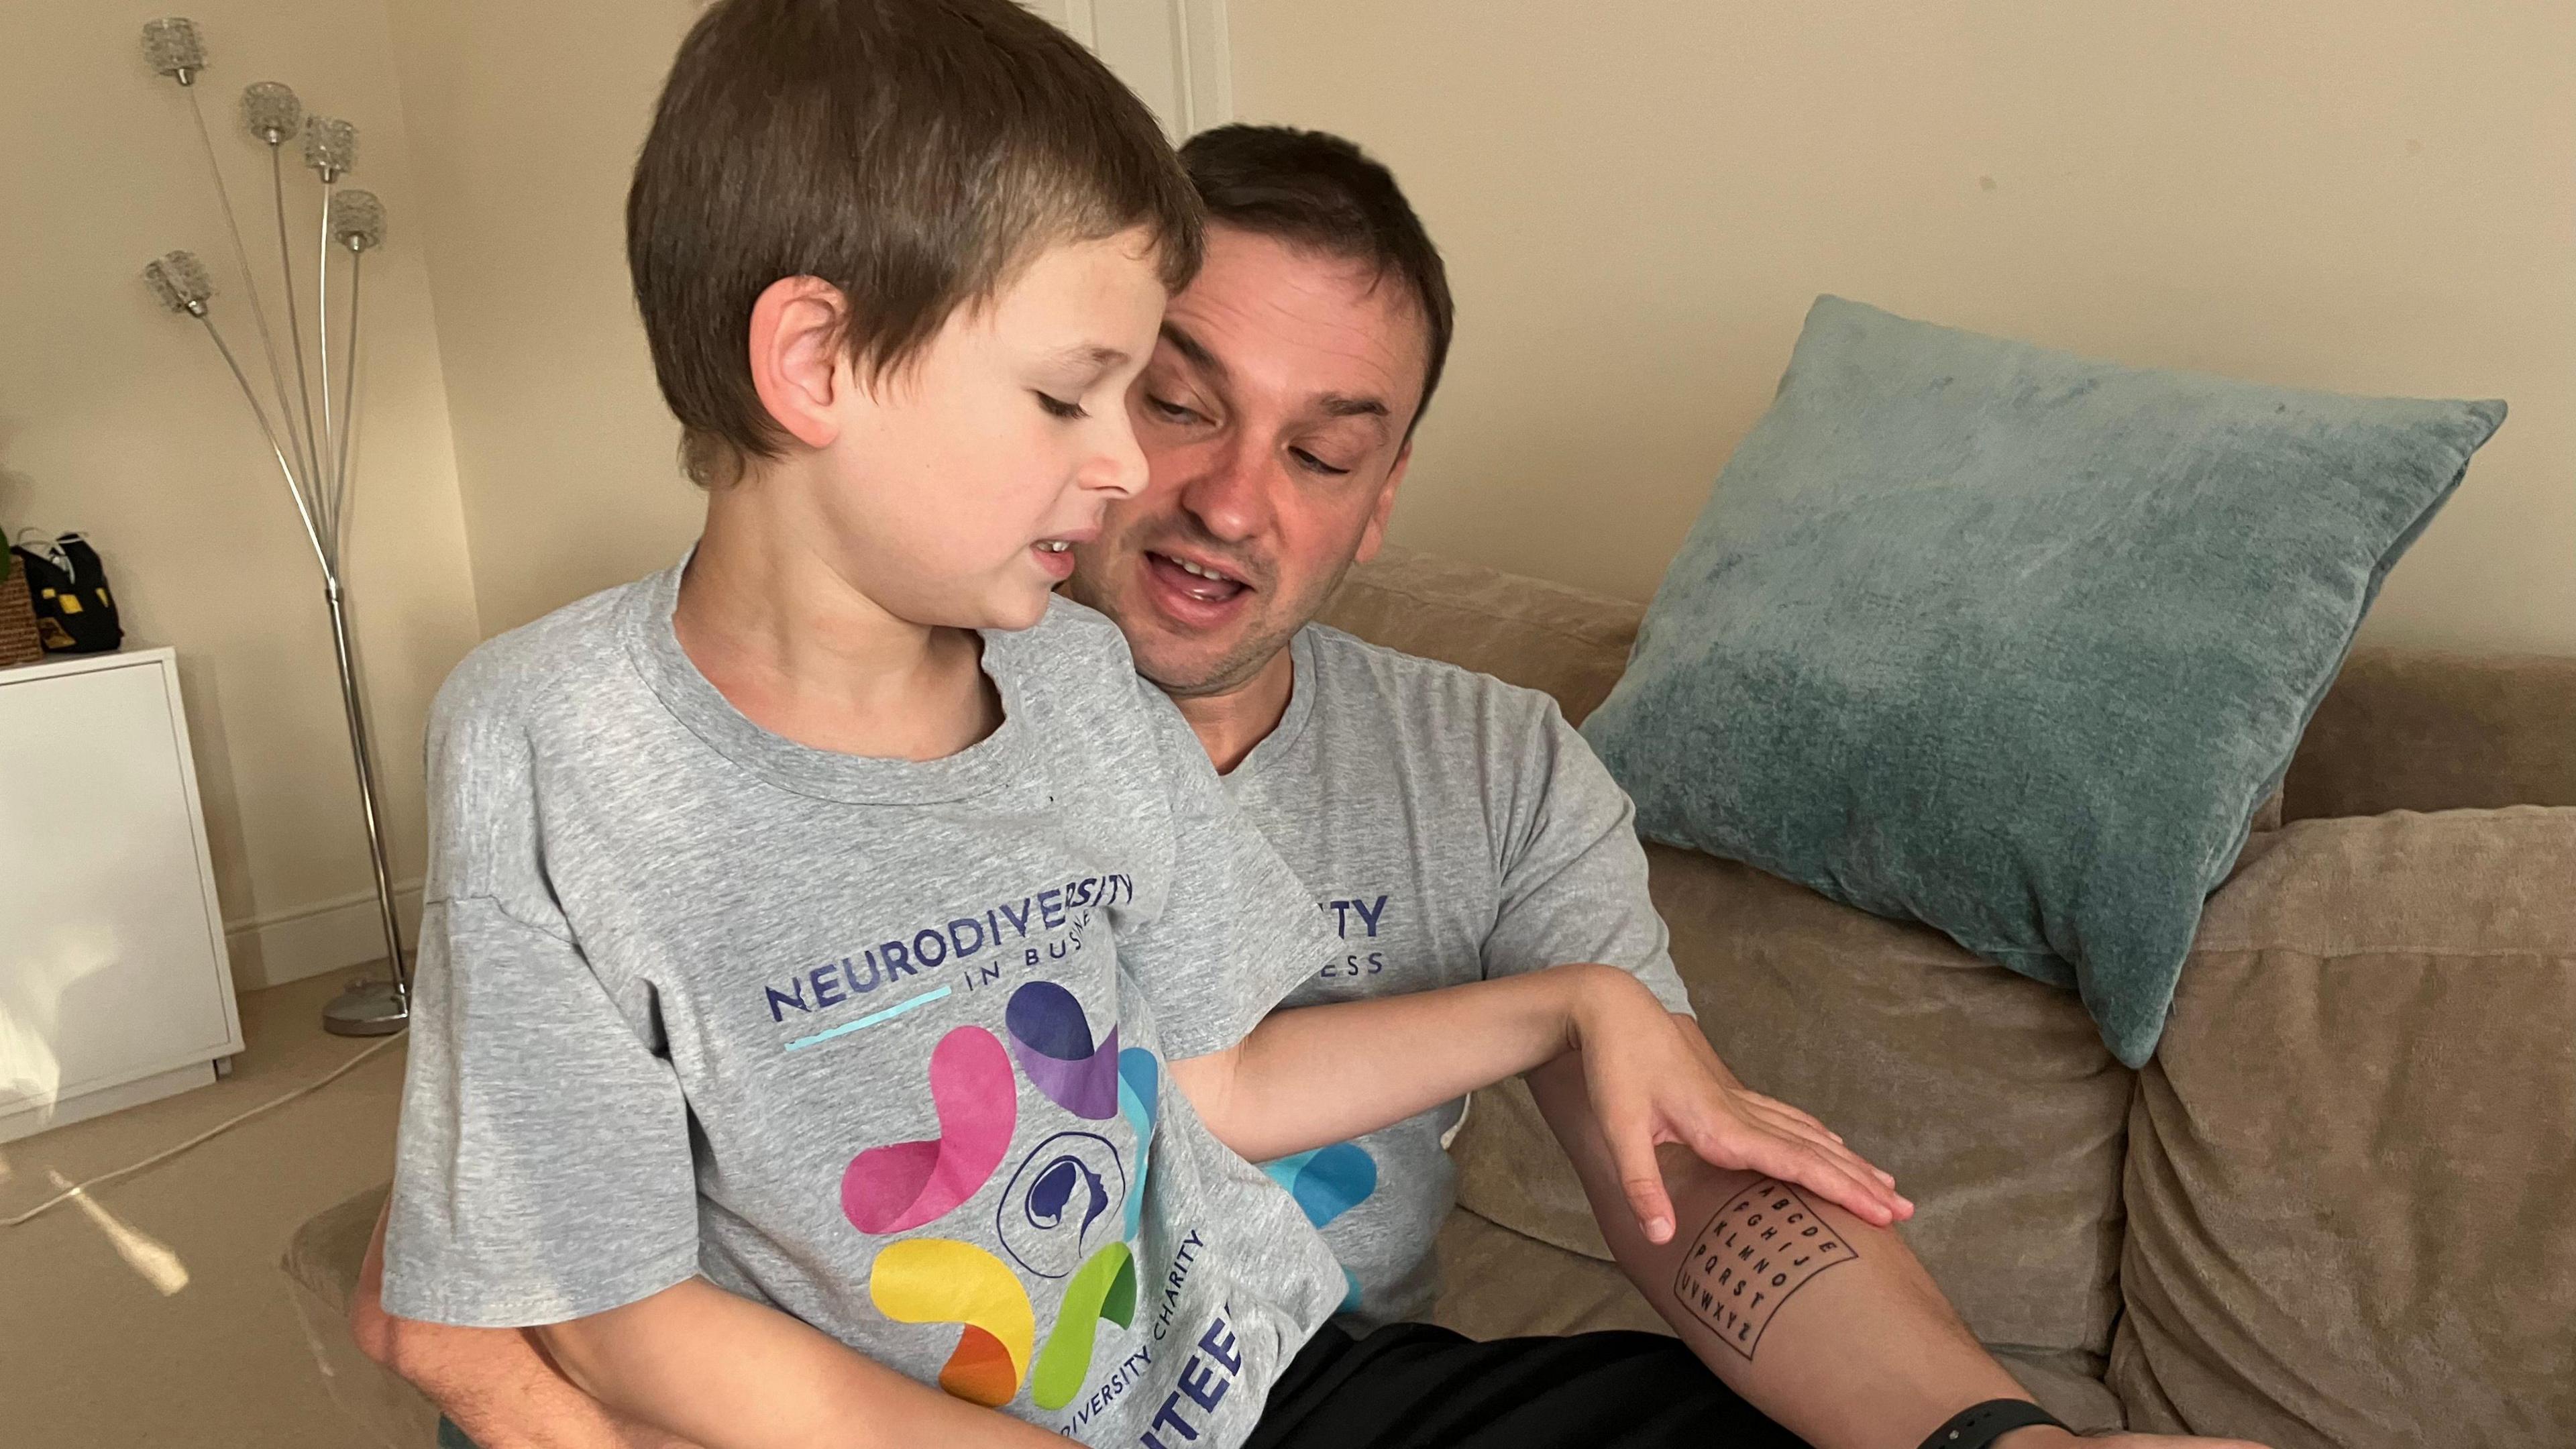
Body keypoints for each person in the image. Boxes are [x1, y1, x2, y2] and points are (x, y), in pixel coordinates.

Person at [368, 5, 1906, 1449]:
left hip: (1257, 1389)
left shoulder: (1078, 686)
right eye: (1074, 398)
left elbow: (1220, 1079)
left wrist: (1570, 1006)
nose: (1124, 471)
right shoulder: (548, 741)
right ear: (815, 362)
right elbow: (611, 1313)